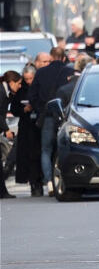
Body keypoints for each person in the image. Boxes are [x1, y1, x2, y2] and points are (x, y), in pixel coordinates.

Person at [28, 47, 73, 196]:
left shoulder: (40, 73)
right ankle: (64, 179)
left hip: (47, 116)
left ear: (52, 57)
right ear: (63, 58)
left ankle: (49, 182)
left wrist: (40, 109)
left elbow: (32, 96)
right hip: (64, 117)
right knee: (63, 148)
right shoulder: (69, 72)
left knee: (45, 150)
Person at [10, 65, 44, 196]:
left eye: (31, 78)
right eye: (26, 79)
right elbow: (14, 108)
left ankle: (40, 181)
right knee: (27, 156)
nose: (28, 82)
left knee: (38, 155)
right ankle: (33, 183)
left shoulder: (40, 87)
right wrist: (24, 110)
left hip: (38, 126)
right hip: (25, 127)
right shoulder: (21, 90)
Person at [1, 71, 23, 198]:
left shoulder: (6, 92)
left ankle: (2, 191)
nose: (19, 86)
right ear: (11, 82)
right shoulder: (1, 92)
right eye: (18, 83)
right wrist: (6, 129)